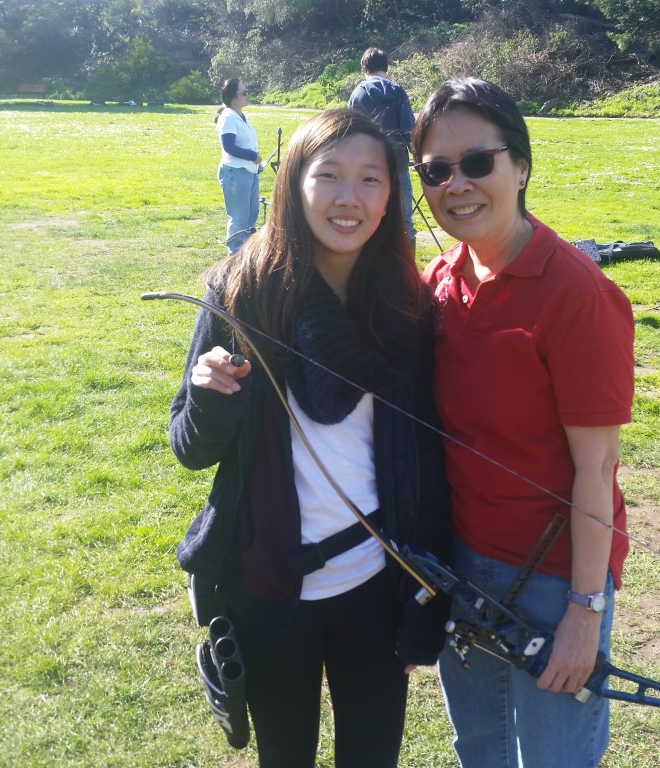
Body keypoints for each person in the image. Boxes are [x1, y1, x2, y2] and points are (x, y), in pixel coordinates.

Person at [168, 108, 450, 768]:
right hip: (268, 588)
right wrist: (212, 398)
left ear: (391, 195)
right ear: (294, 183)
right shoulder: (240, 291)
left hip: (377, 587)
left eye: (370, 180)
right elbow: (190, 447)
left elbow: (425, 465)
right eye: (329, 176)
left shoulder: (406, 305)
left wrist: (426, 601)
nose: (349, 198)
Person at [411, 78, 635, 768]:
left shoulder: (578, 294)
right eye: (436, 171)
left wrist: (583, 614)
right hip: (459, 565)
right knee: (478, 749)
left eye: (478, 162)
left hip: (552, 579)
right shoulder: (441, 280)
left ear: (522, 166)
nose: (458, 185)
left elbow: (596, 468)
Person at [347, 47, 417, 249]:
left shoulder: (358, 94)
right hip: (398, 164)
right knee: (405, 223)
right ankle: (407, 274)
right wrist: (419, 160)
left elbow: (349, 133)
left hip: (367, 167)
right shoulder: (398, 91)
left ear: (364, 69)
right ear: (386, 68)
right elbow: (409, 131)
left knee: (368, 218)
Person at [215, 77, 264, 253]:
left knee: (251, 214)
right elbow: (229, 147)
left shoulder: (240, 116)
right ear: (234, 97)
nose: (247, 95)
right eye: (244, 92)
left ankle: (246, 255)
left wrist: (256, 165)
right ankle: (234, 257)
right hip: (235, 174)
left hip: (248, 173)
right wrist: (252, 156)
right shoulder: (227, 117)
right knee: (239, 218)